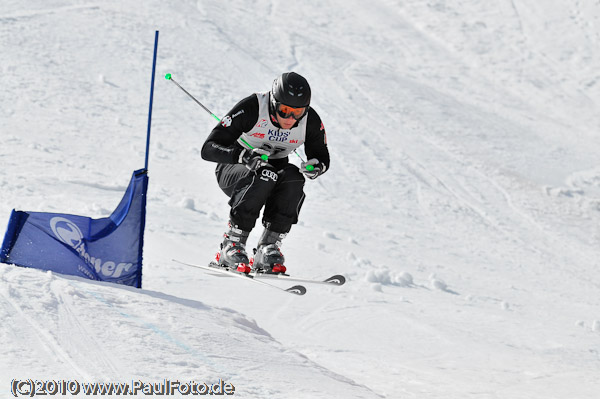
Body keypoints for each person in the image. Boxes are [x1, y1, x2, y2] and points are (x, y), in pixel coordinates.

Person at [201, 72, 329, 274]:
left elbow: (321, 157)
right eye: (285, 110)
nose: (290, 118)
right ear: (273, 102)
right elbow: (208, 149)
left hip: (274, 173)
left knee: (294, 178)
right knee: (265, 173)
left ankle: (268, 247)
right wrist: (243, 156)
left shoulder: (310, 120)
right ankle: (232, 243)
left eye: (298, 112)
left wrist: (316, 166)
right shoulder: (252, 108)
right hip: (234, 170)